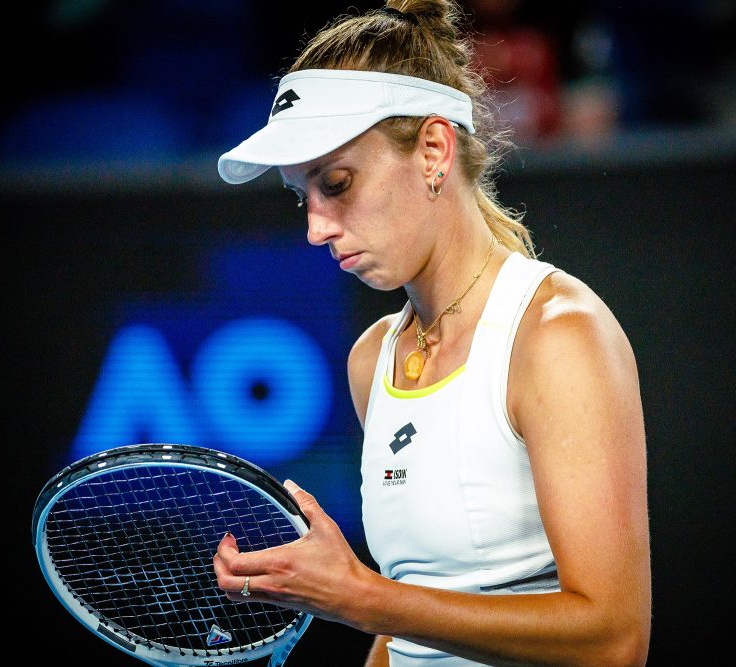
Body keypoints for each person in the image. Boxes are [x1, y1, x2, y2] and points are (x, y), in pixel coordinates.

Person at [212, 1, 651, 665]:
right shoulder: (373, 360)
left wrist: (359, 595)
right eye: (303, 196)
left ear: (434, 151)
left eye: (338, 183)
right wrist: (369, 609)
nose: (316, 227)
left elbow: (615, 639)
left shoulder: (558, 335)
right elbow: (409, 626)